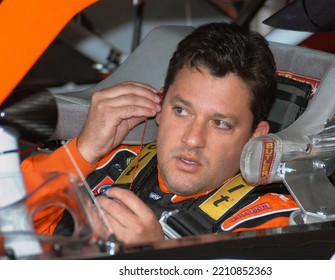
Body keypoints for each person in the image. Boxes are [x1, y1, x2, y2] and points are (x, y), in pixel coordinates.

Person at [21, 22, 298, 245]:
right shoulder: (106, 161)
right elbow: (10, 225)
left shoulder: (270, 222)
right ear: (160, 107)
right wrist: (84, 149)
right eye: (181, 111)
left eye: (220, 124)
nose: (192, 139)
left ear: (254, 136)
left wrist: (157, 256)